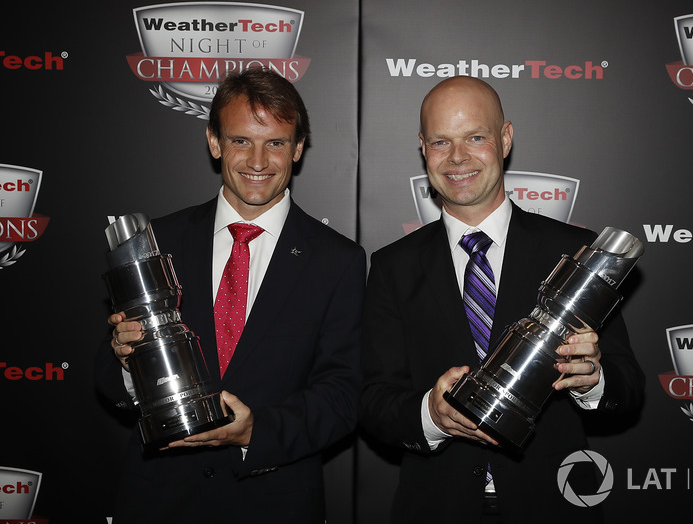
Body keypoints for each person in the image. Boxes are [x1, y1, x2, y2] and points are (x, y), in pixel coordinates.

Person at [358, 76, 645, 523]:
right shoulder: (392, 265)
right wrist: (431, 415)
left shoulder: (574, 252)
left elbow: (628, 388)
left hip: (551, 505)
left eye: (476, 137)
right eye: (440, 141)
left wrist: (594, 380)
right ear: (423, 148)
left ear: (505, 138)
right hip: (436, 508)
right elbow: (373, 400)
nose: (457, 158)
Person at [96, 68, 365, 523]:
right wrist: (128, 364)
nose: (258, 160)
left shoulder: (338, 260)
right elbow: (104, 377)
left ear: (297, 149)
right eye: (241, 140)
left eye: (276, 143)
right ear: (214, 142)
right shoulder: (157, 239)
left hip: (273, 502)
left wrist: (254, 432)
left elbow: (342, 396)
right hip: (159, 500)